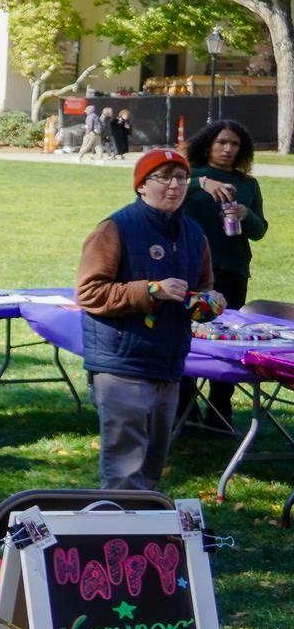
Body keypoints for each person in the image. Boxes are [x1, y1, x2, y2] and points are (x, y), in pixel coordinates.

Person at [75, 148, 221, 491]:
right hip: (122, 365)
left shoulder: (194, 234)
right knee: (124, 470)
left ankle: (145, 540)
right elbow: (89, 293)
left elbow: (202, 292)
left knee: (153, 467)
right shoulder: (115, 229)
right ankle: (117, 539)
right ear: (141, 186)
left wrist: (208, 303)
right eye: (164, 177)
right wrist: (151, 291)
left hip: (168, 364)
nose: (174, 185)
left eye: (181, 178)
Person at [182, 119, 270, 430]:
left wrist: (248, 216)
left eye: (234, 144)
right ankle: (185, 409)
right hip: (192, 268)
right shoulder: (188, 176)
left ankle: (221, 410)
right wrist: (200, 183)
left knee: (230, 337)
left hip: (233, 268)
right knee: (188, 337)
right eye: (221, 142)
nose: (227, 148)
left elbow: (260, 231)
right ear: (208, 145)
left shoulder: (248, 185)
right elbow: (157, 188)